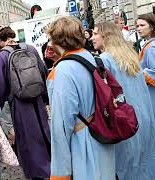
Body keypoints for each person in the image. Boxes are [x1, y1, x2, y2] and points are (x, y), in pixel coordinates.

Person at [46, 16, 115, 179]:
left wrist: (60, 172)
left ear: (57, 40)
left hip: (83, 142)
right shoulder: (92, 57)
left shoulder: (62, 70)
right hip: (101, 134)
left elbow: (61, 125)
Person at [91, 22, 155, 180]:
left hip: (126, 120)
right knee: (146, 162)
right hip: (144, 117)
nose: (92, 37)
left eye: (95, 34)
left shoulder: (104, 60)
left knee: (129, 165)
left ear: (106, 35)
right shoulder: (130, 56)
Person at [0, 26, 50, 179]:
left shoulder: (2, 56)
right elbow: (43, 73)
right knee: (44, 132)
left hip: (19, 104)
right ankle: (52, 166)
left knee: (28, 139)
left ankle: (37, 173)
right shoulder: (30, 48)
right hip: (37, 99)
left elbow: (0, 88)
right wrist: (45, 99)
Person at [136, 13, 155, 161]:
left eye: (142, 25)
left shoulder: (153, 47)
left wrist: (134, 75)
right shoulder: (151, 44)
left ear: (152, 27)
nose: (138, 28)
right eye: (137, 26)